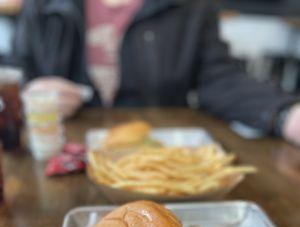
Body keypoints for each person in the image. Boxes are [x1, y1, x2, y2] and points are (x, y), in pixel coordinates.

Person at [13, 0, 300, 145]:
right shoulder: (42, 5)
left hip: (161, 154)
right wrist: (30, 93)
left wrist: (285, 114)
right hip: (64, 152)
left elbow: (219, 79)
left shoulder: (192, 6)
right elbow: (16, 71)